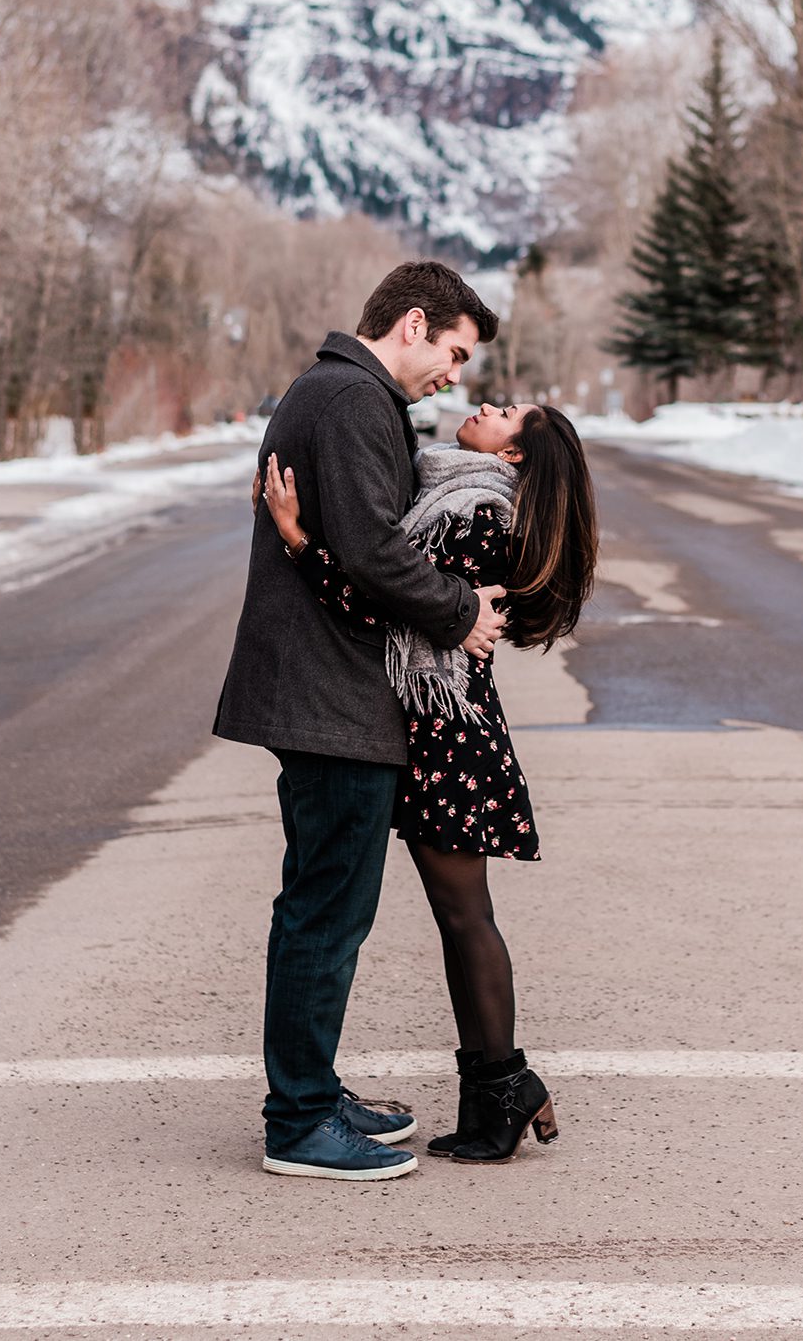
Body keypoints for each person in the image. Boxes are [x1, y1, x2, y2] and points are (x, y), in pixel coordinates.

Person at [214, 261, 507, 1181]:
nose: (454, 374)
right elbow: (376, 552)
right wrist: (463, 612)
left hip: (332, 691)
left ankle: (313, 1087)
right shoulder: (349, 399)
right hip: (329, 697)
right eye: (454, 351)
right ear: (414, 324)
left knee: (331, 904)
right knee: (325, 912)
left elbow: (352, 541)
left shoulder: (346, 395)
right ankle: (299, 1119)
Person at [261, 395, 598, 1165]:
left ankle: (505, 1083)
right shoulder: (451, 495)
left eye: (507, 411)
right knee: (461, 916)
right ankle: (499, 1088)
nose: (487, 402)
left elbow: (390, 606)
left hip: (447, 735)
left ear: (513, 456)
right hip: (438, 727)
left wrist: (298, 540)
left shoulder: (476, 513)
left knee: (465, 916)